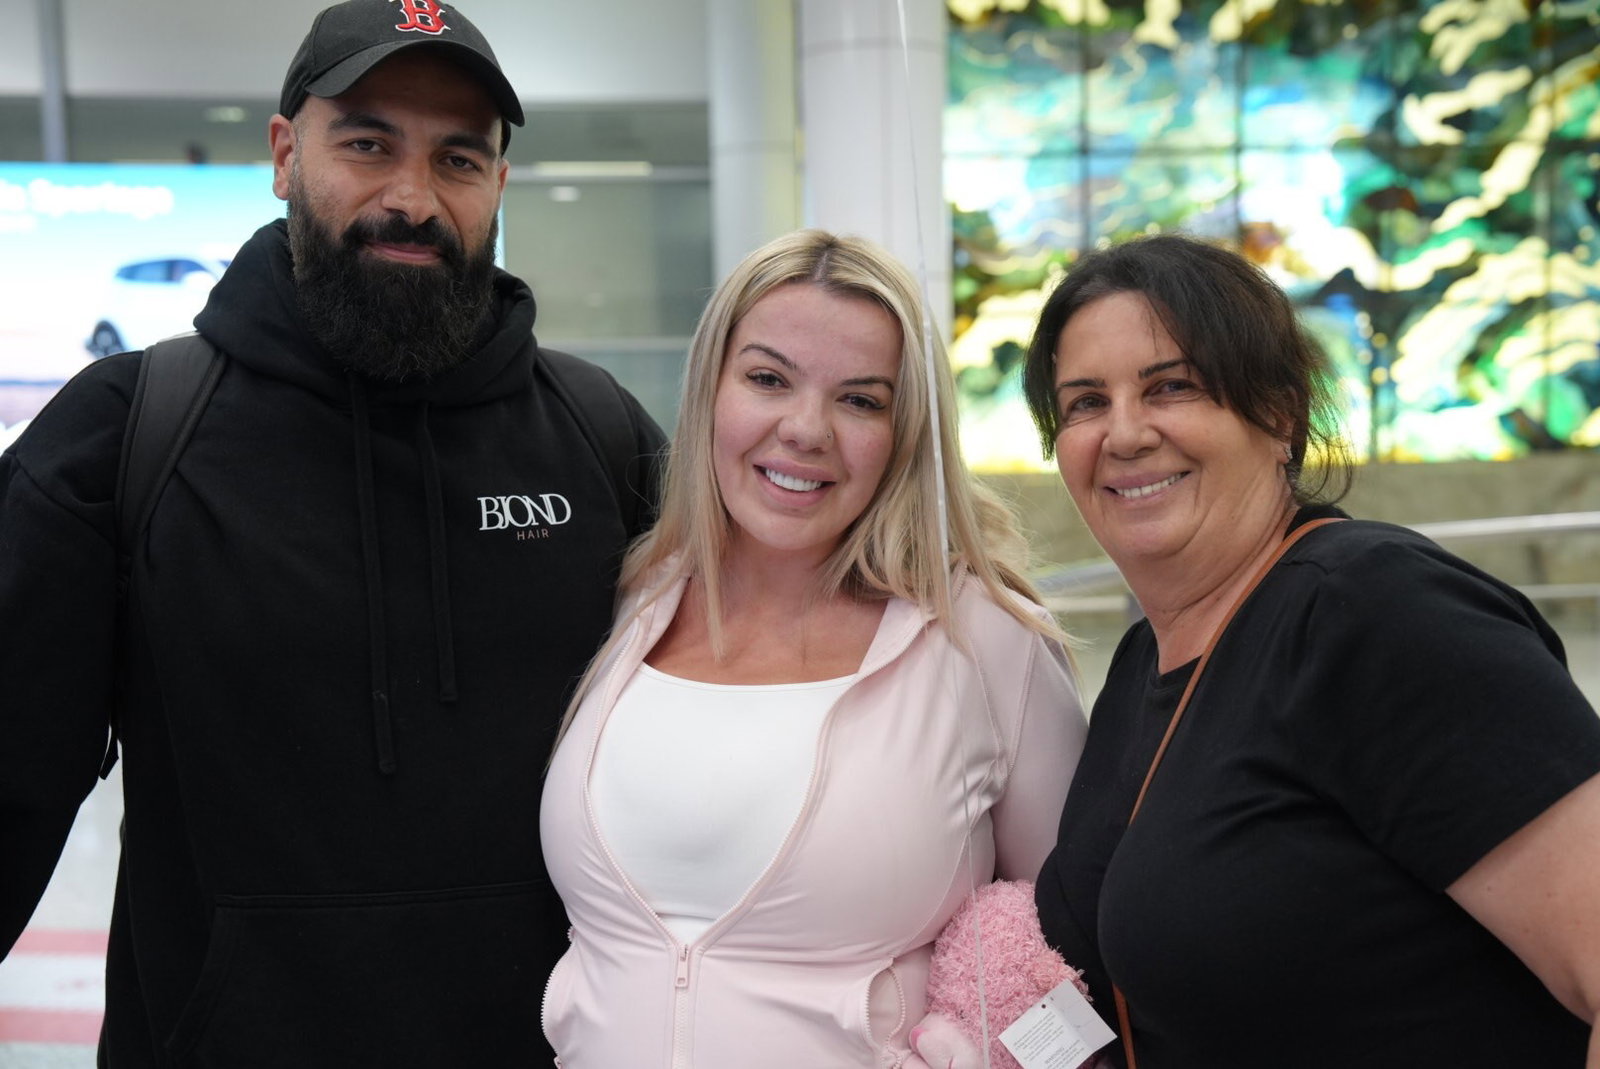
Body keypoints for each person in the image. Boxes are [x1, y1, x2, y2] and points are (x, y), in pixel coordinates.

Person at [0, 2, 665, 1065]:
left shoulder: (600, 440)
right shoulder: (129, 435)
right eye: (366, 144)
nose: (412, 197)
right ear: (283, 154)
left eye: (458, 158)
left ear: (498, 182)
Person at [1021, 233, 1600, 1067]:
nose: (1126, 432)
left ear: (1280, 413)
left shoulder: (1372, 610)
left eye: (1171, 386)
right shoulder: (1145, 661)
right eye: (1084, 402)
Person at [539, 229, 1088, 1067]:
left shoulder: (981, 633)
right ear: (709, 390)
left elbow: (1084, 945)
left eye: (860, 400)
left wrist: (1018, 1055)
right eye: (768, 379)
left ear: (906, 432)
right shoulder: (634, 599)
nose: (805, 429)